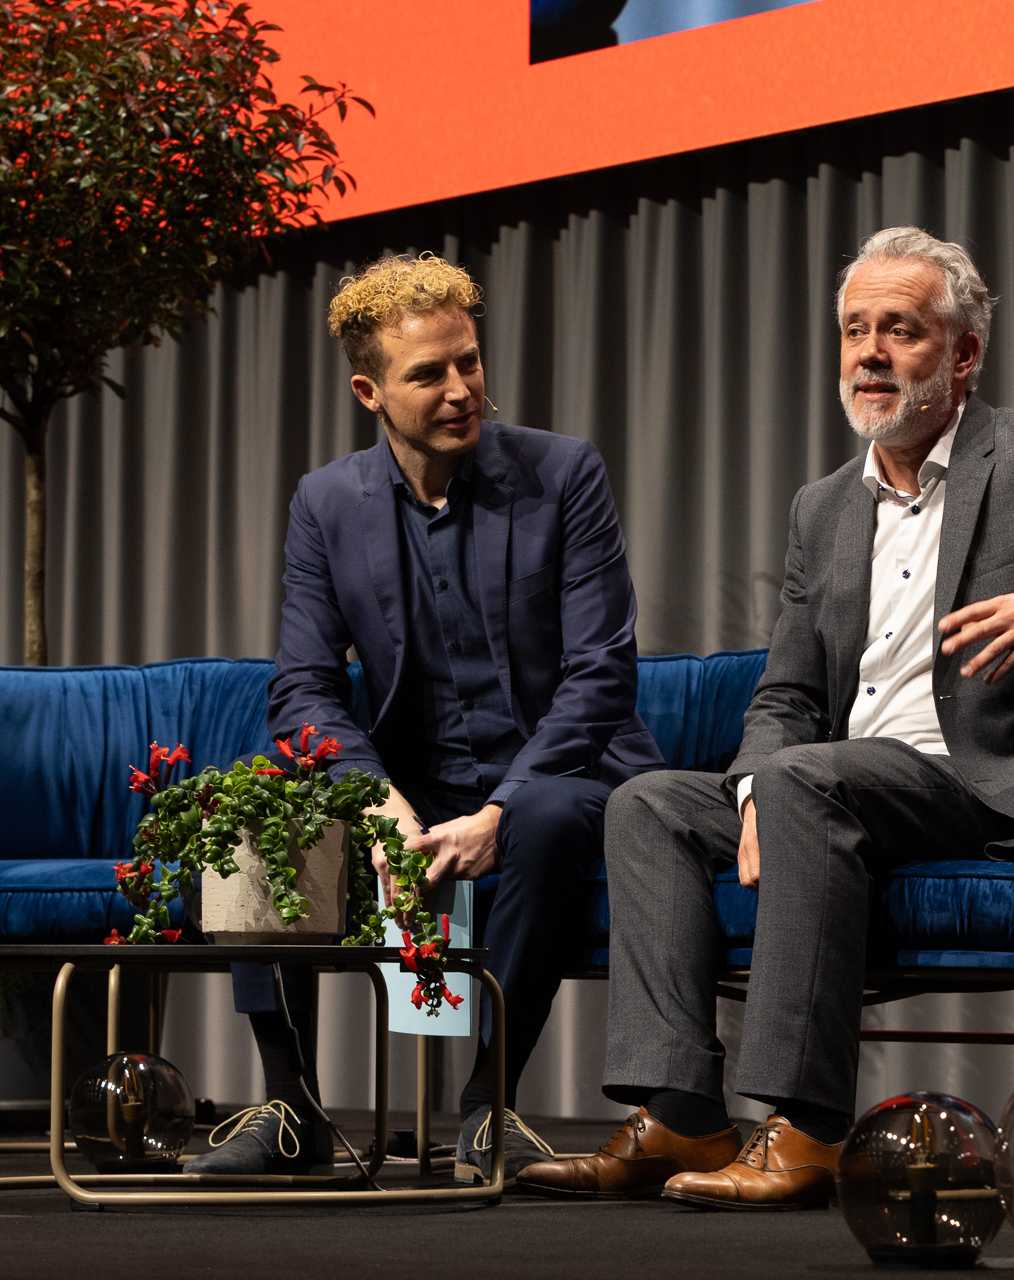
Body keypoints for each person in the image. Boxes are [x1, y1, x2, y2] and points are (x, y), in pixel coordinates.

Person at [516, 227, 1014, 1208]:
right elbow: (786, 694)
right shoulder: (822, 507)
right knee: (652, 802)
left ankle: (810, 1129)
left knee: (803, 778)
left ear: (962, 354)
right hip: (833, 783)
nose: (869, 353)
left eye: (900, 330)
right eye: (854, 330)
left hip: (986, 783)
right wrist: (749, 789)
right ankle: (683, 1115)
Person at [188, 253, 664, 1183]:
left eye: (470, 362)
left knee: (552, 816)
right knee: (252, 811)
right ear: (370, 390)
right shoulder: (326, 503)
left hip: (555, 769)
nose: (460, 389)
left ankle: (489, 1105)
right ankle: (293, 1110)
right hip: (408, 779)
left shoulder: (563, 473)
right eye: (428, 374)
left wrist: (504, 804)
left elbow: (601, 672)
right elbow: (304, 689)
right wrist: (374, 802)